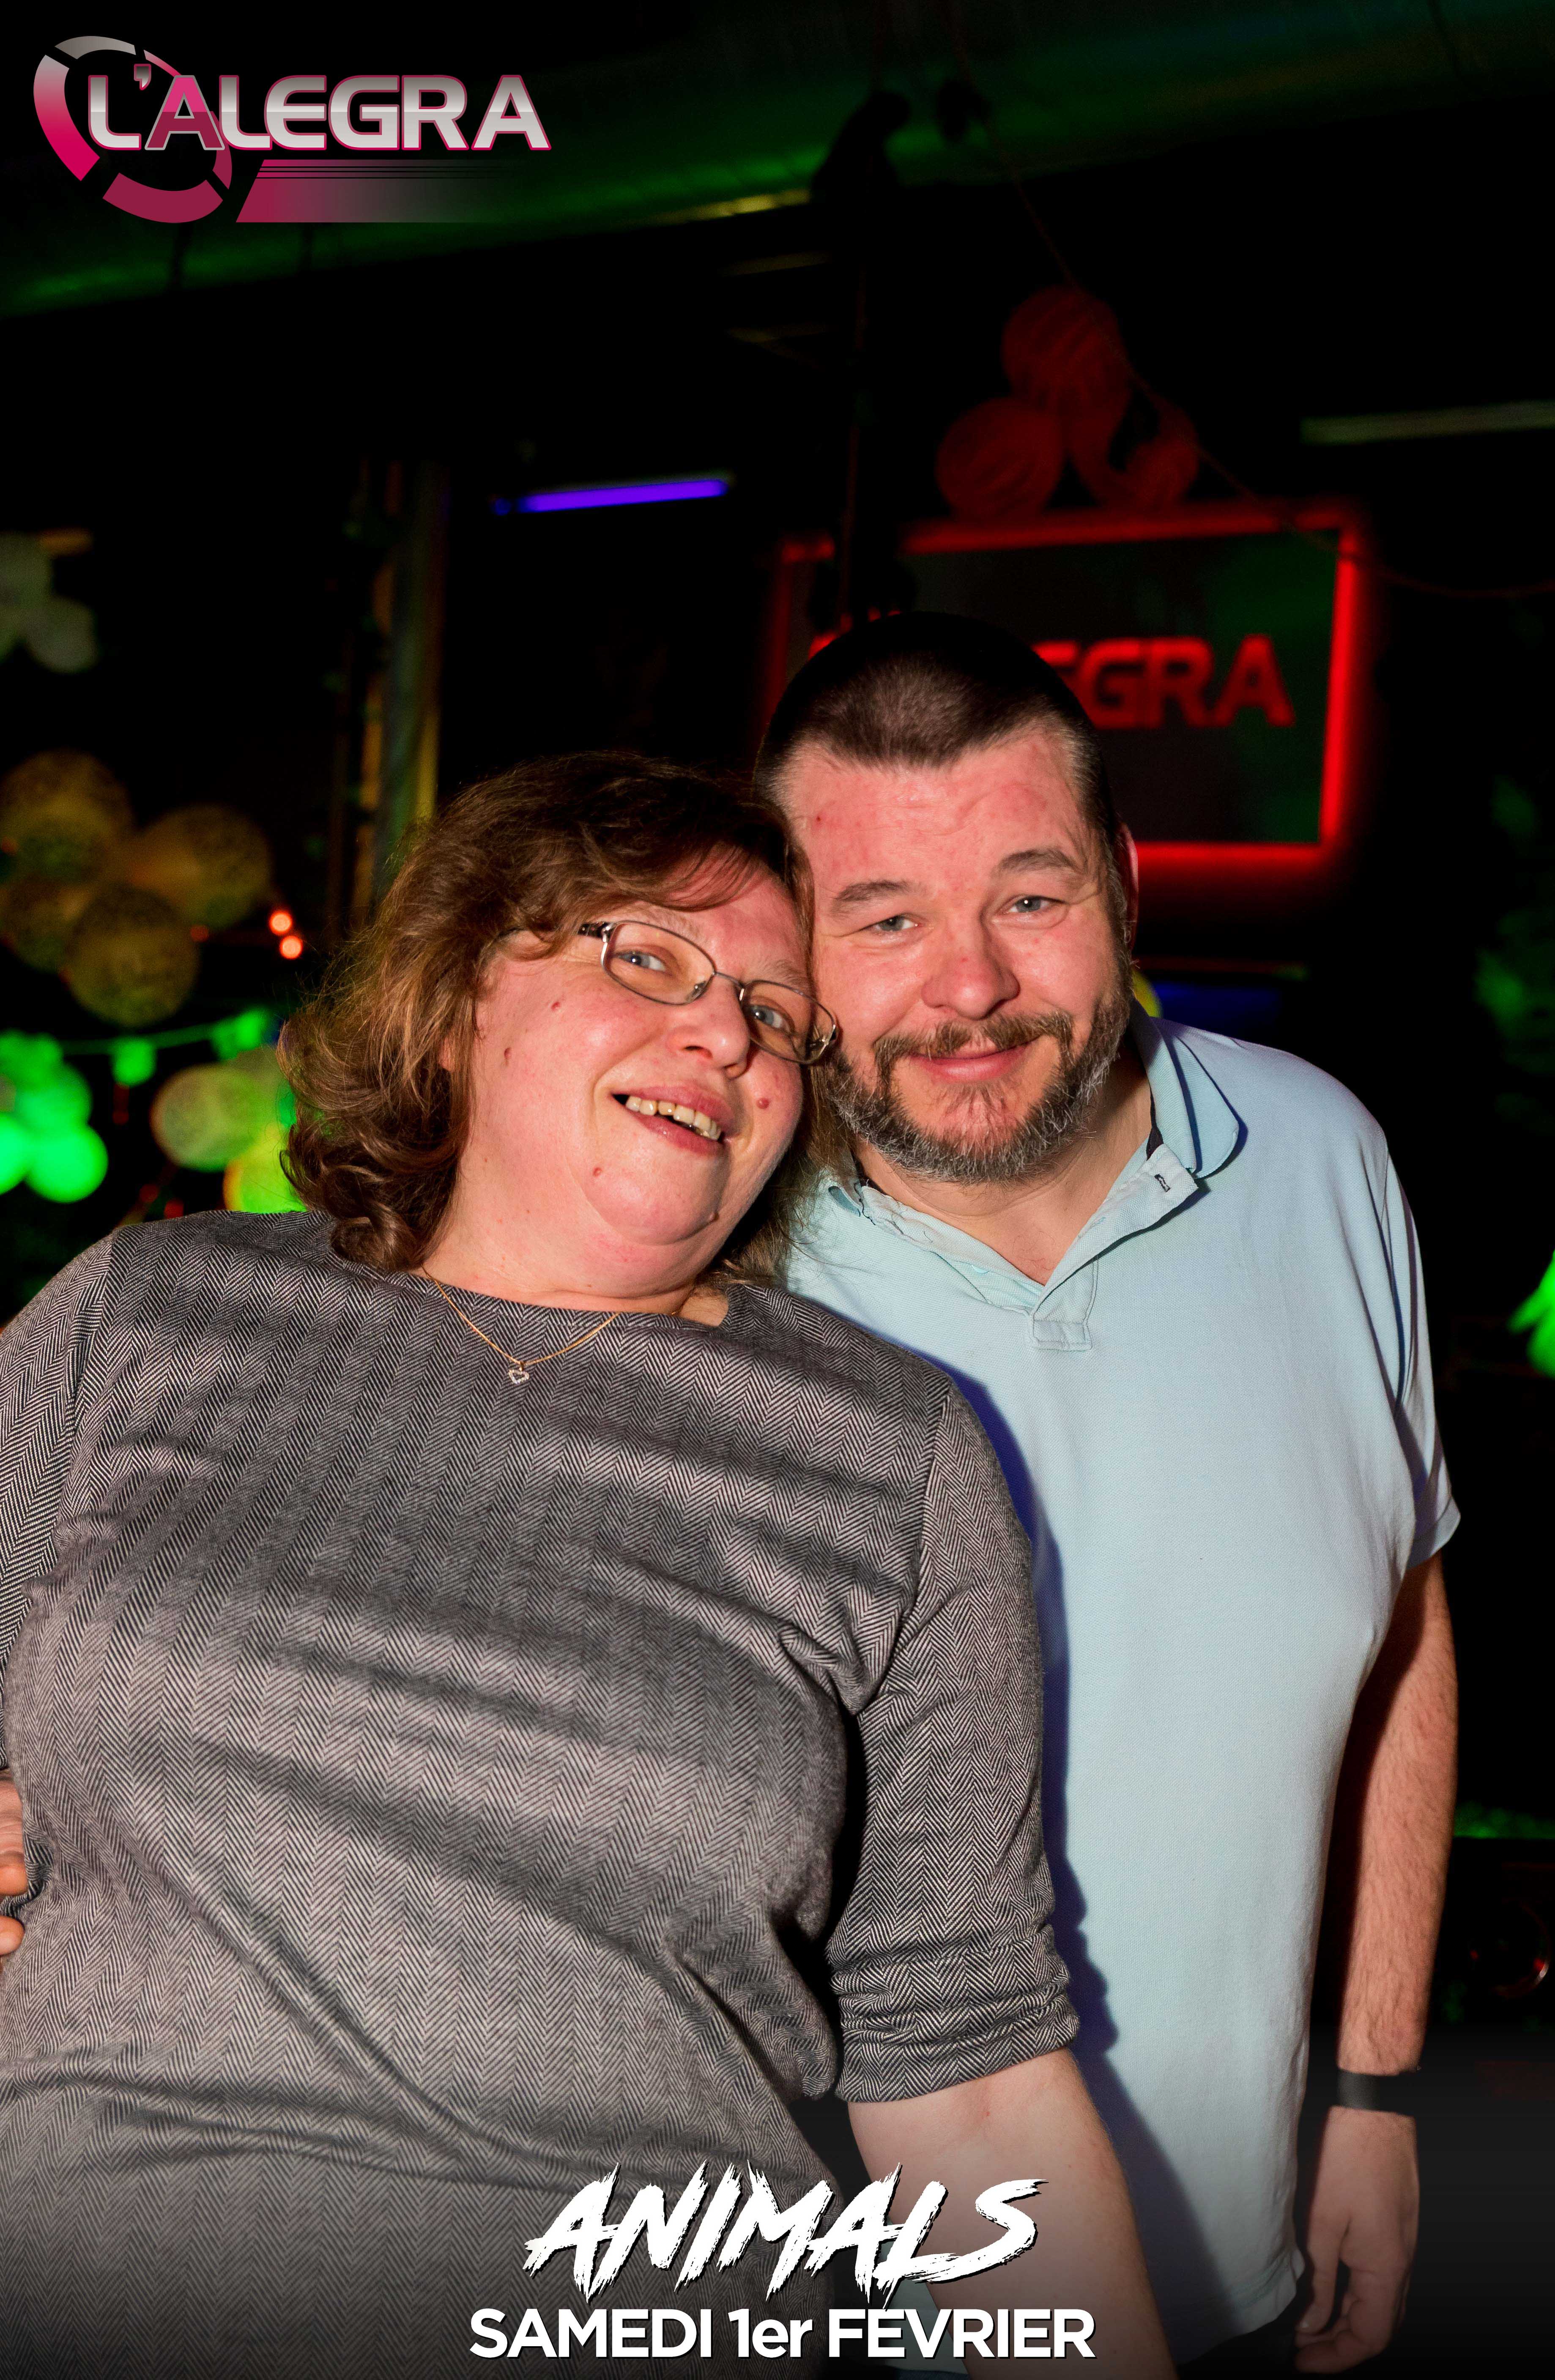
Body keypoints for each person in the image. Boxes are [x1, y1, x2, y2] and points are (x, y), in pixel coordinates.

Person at [0, 753, 1174, 2380]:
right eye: (651, 957)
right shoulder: (148, 1312)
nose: (727, 1036)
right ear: (461, 990)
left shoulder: (889, 1455)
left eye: (776, 1015)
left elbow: (967, 2079)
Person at [759, 617, 1459, 2374]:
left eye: (1030, 896)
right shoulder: (709, 1268)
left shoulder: (1320, 1160)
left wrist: (1373, 2086)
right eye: (885, 920)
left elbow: (1399, 1629)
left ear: (1125, 885)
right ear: (788, 944)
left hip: (1240, 2269)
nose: (970, 987)